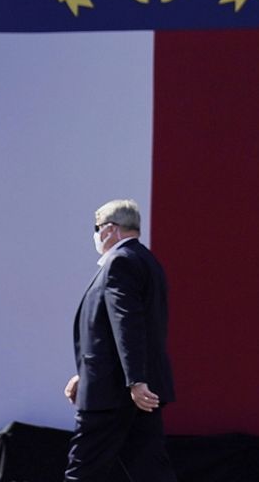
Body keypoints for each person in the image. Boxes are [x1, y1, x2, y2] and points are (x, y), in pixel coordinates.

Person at [63, 199, 177, 481]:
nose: (96, 234)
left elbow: (126, 324)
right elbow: (120, 331)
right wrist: (85, 375)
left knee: (84, 467)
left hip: (114, 394)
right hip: (133, 390)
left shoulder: (120, 262)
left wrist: (135, 380)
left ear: (110, 229)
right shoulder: (146, 260)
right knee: (149, 469)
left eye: (97, 227)